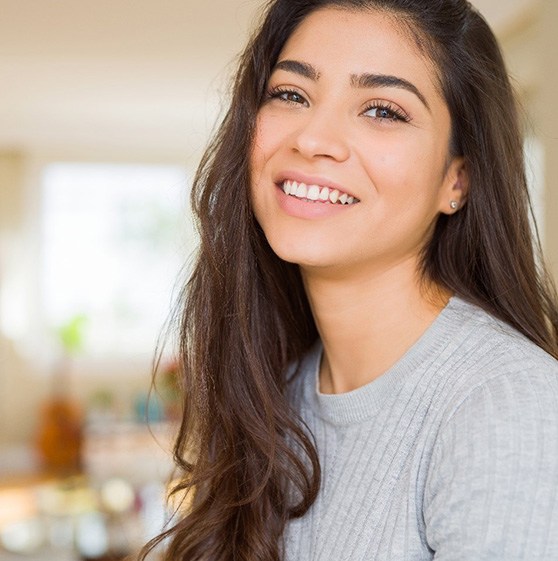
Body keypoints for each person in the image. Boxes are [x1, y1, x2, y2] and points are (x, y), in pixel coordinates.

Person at [140, 0, 558, 559]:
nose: (313, 139)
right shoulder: (275, 394)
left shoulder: (506, 403)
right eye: (291, 94)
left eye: (383, 110)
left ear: (456, 180)